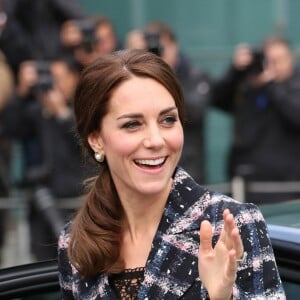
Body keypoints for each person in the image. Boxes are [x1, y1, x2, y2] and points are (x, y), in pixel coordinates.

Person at [57, 49, 285, 299]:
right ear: (96, 140)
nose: (156, 140)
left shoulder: (234, 225)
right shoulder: (75, 242)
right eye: (132, 124)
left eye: (167, 119)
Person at [212, 36, 300, 204]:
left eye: (278, 60)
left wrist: (271, 85)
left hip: (288, 189)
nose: (272, 67)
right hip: (247, 186)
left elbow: (296, 115)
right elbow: (216, 99)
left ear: (291, 60)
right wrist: (235, 71)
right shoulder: (247, 86)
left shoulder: (294, 85)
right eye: (268, 61)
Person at [143, 21, 211, 183]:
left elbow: (194, 112)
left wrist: (165, 76)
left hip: (188, 169)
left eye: (162, 47)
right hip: (150, 168)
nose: (158, 53)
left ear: (174, 46)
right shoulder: (139, 79)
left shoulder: (196, 77)